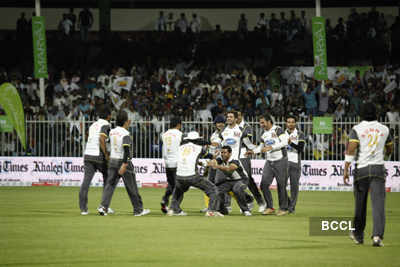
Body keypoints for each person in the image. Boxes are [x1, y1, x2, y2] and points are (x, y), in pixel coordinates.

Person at [344, 103, 393, 247]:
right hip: (378, 169)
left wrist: (346, 168)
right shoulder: (384, 129)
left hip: (362, 170)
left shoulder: (357, 129)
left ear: (362, 114)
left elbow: (351, 149)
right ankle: (377, 237)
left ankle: (358, 235)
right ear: (376, 113)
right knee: (378, 205)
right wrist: (385, 157)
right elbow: (390, 148)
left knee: (360, 204)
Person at [98, 111, 150, 216]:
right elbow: (127, 150)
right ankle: (138, 210)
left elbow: (105, 142)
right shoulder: (125, 133)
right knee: (131, 186)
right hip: (123, 161)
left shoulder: (112, 131)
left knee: (110, 185)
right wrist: (125, 164)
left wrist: (107, 155)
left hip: (113, 160)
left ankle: (103, 207)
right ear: (126, 121)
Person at [168, 131, 222, 217]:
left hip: (179, 176)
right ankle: (212, 211)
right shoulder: (199, 148)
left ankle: (173, 209)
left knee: (178, 190)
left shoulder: (180, 147)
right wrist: (214, 156)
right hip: (192, 176)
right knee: (212, 189)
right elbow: (210, 156)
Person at [247, 113, 289, 216]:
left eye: (262, 122)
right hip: (269, 162)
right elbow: (261, 147)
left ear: (269, 121)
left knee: (281, 185)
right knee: (264, 184)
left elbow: (285, 142)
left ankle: (283, 208)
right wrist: (253, 151)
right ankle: (270, 207)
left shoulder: (278, 130)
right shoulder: (263, 134)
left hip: (280, 160)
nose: (261, 125)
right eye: (260, 123)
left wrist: (272, 147)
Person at [212, 111, 254, 212]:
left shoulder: (241, 131)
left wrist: (256, 149)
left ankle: (248, 199)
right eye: (228, 117)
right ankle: (225, 207)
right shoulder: (223, 131)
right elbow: (218, 142)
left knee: (236, 188)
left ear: (236, 119)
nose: (229, 118)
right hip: (224, 162)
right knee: (219, 184)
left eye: (231, 117)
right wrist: (214, 146)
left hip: (235, 163)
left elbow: (249, 144)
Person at [79, 106, 112, 215]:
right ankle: (104, 206)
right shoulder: (106, 125)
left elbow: (88, 136)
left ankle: (83, 209)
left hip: (88, 154)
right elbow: (101, 139)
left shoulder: (93, 125)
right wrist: (106, 154)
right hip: (98, 155)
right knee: (108, 180)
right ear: (108, 116)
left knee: (86, 182)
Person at [209, 146, 252, 216]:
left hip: (241, 179)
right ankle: (223, 210)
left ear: (230, 153)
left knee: (237, 189)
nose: (223, 154)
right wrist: (213, 161)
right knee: (216, 190)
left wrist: (217, 166)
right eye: (222, 152)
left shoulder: (234, 159)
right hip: (229, 181)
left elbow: (230, 168)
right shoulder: (221, 159)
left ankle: (246, 210)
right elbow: (214, 162)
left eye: (225, 152)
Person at [237, 111, 266, 212]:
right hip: (232, 155)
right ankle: (247, 201)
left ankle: (261, 202)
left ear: (241, 116)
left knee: (247, 179)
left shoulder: (247, 127)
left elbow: (249, 141)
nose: (236, 118)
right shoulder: (230, 127)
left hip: (243, 154)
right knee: (231, 180)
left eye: (238, 115)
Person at [160, 117, 183, 213]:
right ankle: (175, 209)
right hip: (177, 163)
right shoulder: (180, 134)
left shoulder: (164, 134)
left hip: (167, 163)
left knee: (171, 184)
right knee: (180, 187)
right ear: (178, 125)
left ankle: (165, 199)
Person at [284, 115, 305, 214]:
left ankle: (291, 208)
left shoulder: (300, 134)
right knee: (281, 185)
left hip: (295, 163)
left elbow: (300, 149)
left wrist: (290, 143)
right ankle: (288, 204)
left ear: (295, 123)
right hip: (283, 162)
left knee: (294, 187)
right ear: (286, 123)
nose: (290, 124)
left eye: (292, 122)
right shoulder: (282, 134)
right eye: (288, 122)